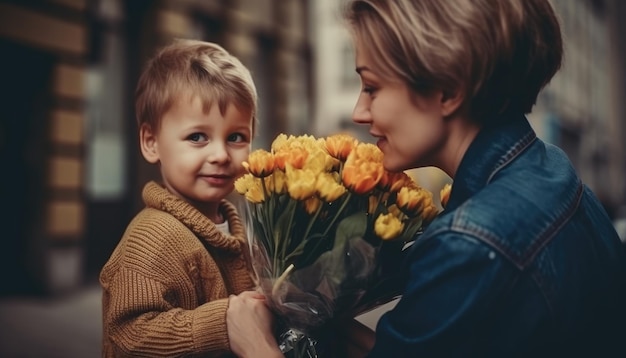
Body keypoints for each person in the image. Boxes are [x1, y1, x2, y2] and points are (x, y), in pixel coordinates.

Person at [338, 0, 626, 357]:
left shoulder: (470, 243)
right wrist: (317, 321)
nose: (359, 112)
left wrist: (256, 341)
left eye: (372, 87)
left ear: (449, 89)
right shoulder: (554, 170)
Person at [99, 39, 282, 357]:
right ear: (151, 142)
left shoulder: (233, 228)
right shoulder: (153, 237)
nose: (221, 155)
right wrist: (222, 323)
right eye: (197, 137)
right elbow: (129, 329)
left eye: (236, 137)